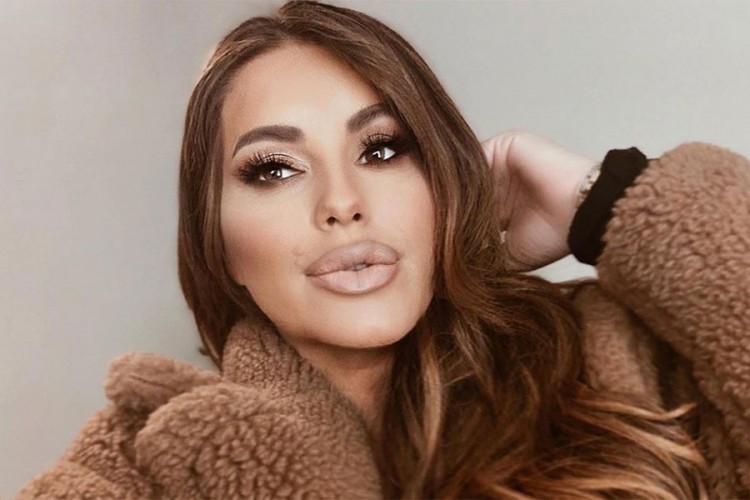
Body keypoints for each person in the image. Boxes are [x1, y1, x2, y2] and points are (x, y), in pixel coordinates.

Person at [18, 1, 750, 498]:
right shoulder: (149, 464)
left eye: (381, 149)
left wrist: (607, 200)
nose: (342, 202)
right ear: (221, 248)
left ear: (444, 183)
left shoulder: (625, 371)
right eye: (274, 169)